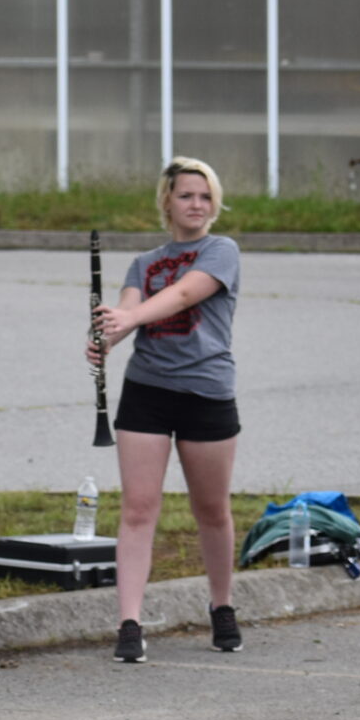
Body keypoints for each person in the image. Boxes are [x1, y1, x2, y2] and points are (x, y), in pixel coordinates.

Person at [88, 157, 243, 662]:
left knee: (212, 510)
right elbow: (127, 314)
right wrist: (106, 336)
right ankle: (129, 623)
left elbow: (182, 295)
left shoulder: (221, 251)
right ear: (167, 202)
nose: (196, 204)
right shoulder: (143, 262)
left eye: (204, 196)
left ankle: (222, 606)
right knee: (137, 509)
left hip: (207, 391)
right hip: (147, 393)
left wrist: (130, 315)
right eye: (186, 195)